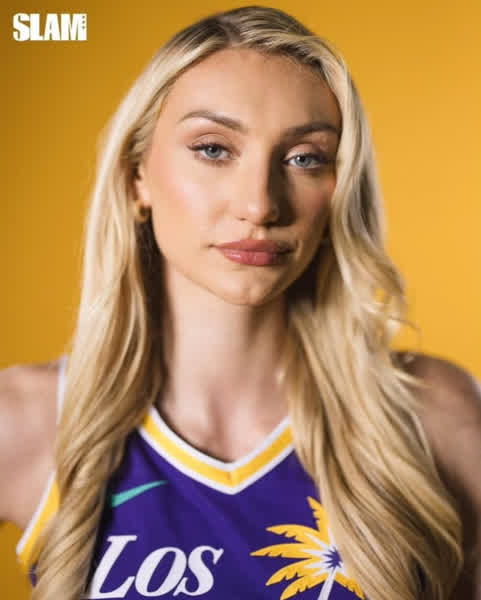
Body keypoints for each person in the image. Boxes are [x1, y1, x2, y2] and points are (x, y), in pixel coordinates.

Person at [1, 6, 480, 600]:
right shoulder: (27, 423)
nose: (259, 205)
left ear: (339, 186)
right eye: (213, 149)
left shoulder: (433, 416)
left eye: (304, 158)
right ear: (136, 175)